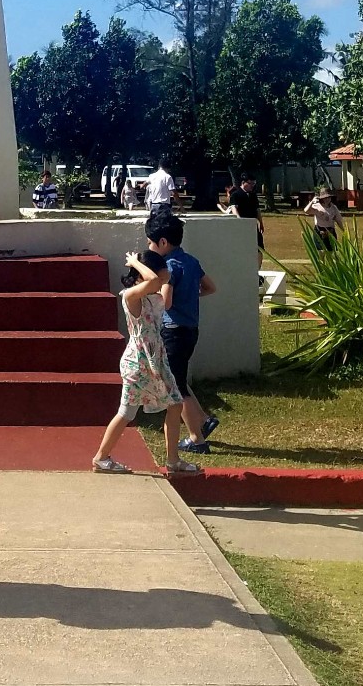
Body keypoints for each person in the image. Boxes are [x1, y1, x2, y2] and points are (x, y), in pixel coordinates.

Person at [92, 245, 200, 479]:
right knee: (127, 412)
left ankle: (173, 460)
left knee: (175, 404)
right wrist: (135, 261)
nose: (165, 277)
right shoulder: (130, 296)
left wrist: (158, 275)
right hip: (138, 363)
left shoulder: (155, 297)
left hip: (156, 359)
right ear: (142, 275)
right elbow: (151, 280)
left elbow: (161, 291)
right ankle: (101, 457)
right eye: (160, 273)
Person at [139, 208, 218, 452]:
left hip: (173, 331)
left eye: (151, 242)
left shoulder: (169, 267)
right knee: (179, 379)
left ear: (162, 242)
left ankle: (197, 438)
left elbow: (167, 301)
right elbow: (210, 287)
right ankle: (203, 420)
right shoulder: (191, 261)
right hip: (190, 329)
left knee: (174, 386)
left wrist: (149, 290)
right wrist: (190, 297)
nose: (149, 246)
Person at [224, 180, 265, 254]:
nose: (252, 185)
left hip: (253, 225)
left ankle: (257, 265)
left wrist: (260, 223)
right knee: (243, 248)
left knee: (259, 249)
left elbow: (257, 210)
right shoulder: (235, 195)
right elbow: (234, 209)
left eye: (254, 184)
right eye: (250, 183)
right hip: (242, 226)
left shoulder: (253, 195)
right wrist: (240, 222)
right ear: (243, 183)